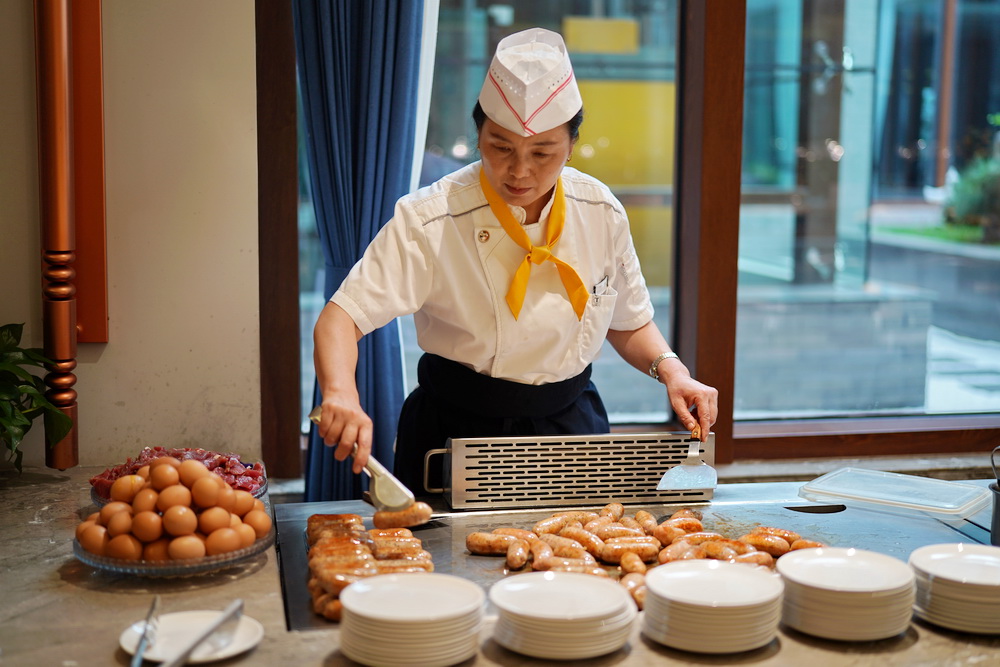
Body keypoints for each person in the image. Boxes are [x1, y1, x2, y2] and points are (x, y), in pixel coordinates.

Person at [312, 27, 719, 491]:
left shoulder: (599, 211)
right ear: (478, 134)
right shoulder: (431, 217)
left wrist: (673, 370)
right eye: (500, 147)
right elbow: (340, 318)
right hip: (455, 433)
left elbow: (627, 322)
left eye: (542, 152)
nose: (520, 170)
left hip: (571, 433)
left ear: (572, 145)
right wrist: (341, 390)